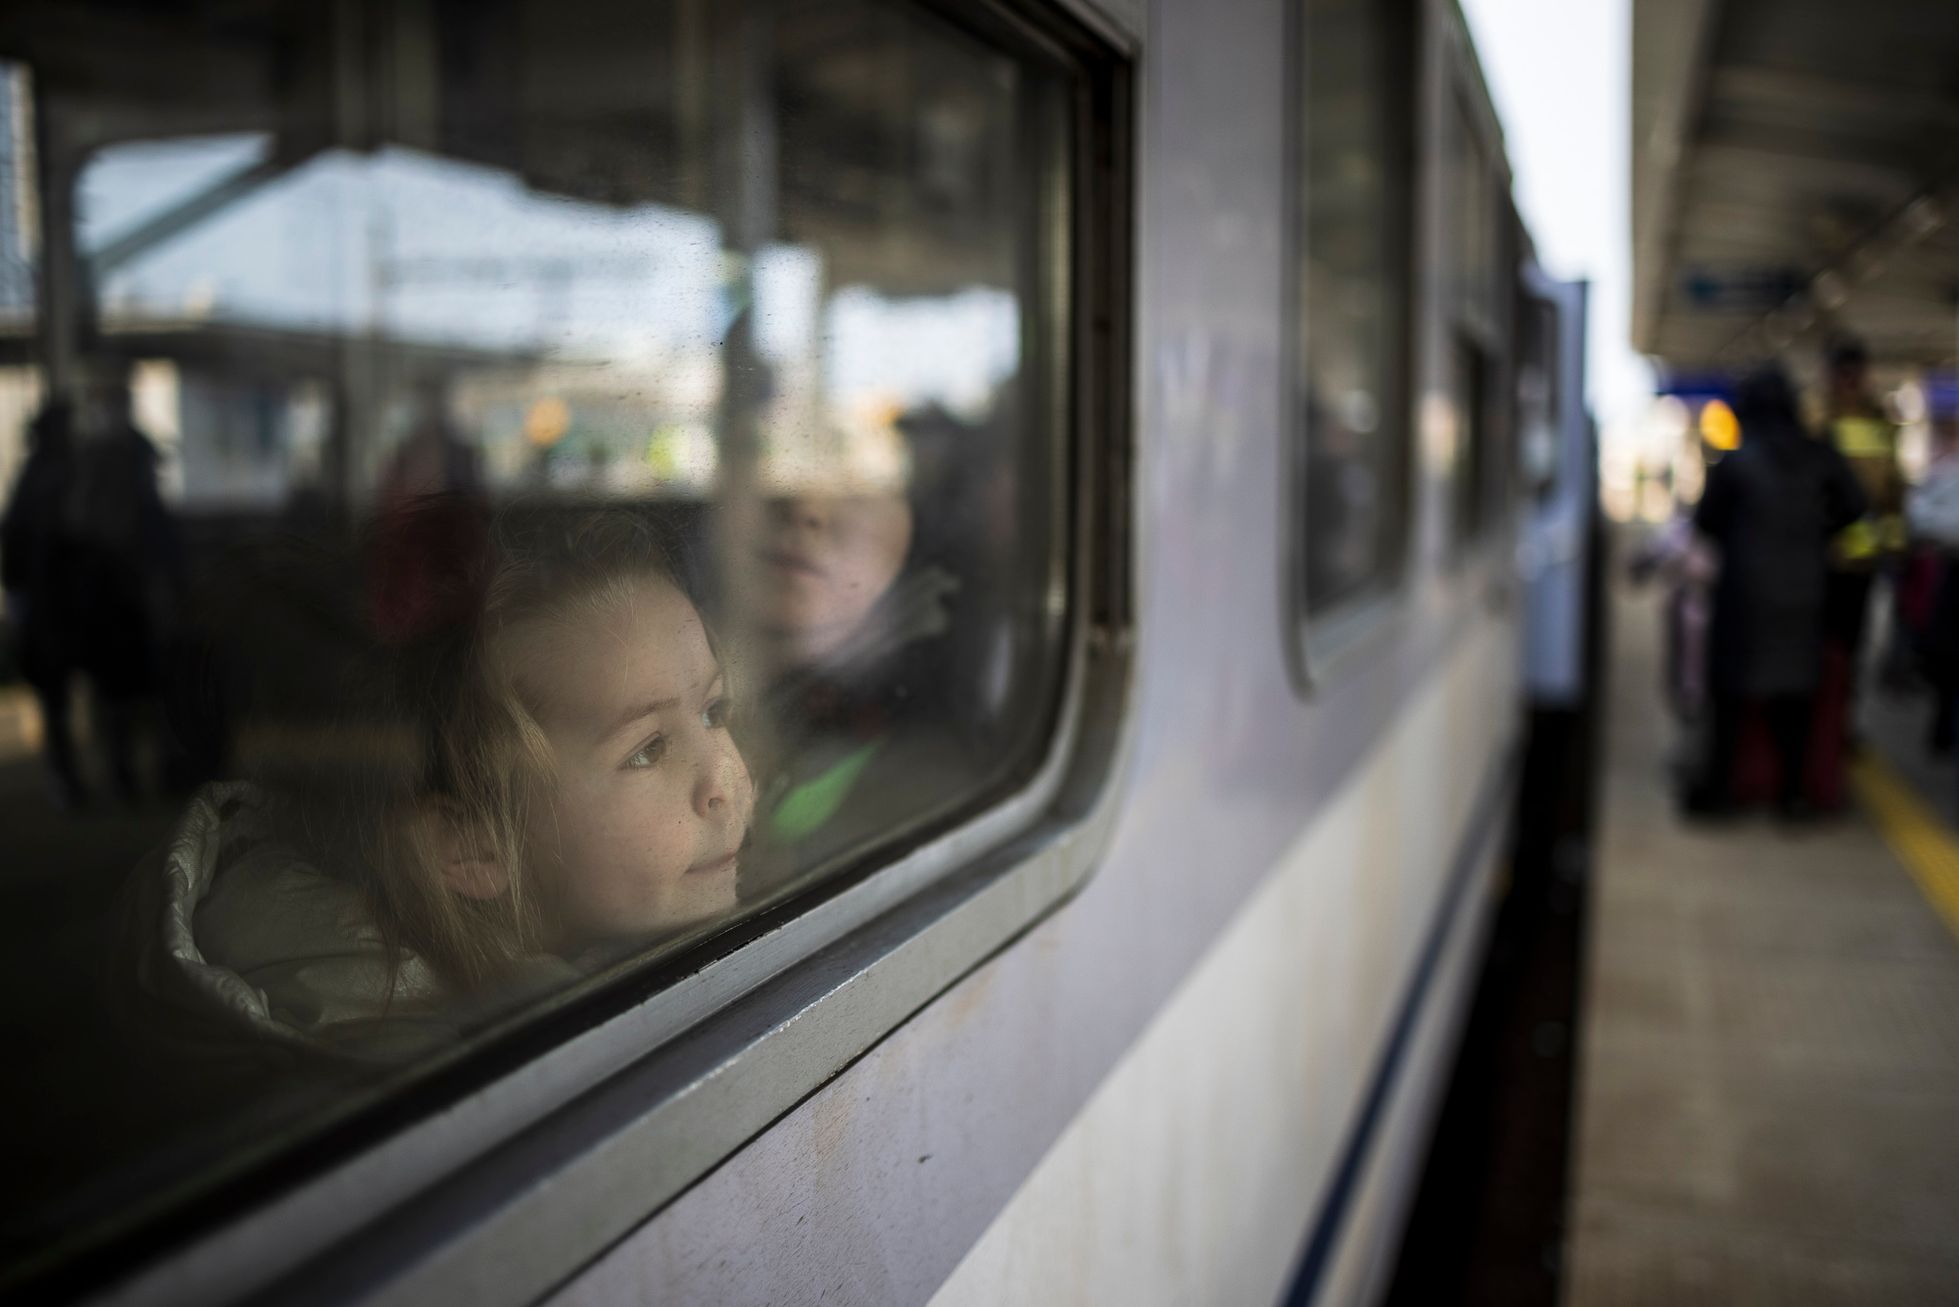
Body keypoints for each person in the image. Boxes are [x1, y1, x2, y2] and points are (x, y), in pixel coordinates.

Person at [121, 506, 755, 1063]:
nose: (724, 780)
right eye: (647, 751)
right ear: (471, 846)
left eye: (713, 712)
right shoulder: (434, 1063)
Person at [1688, 366, 1866, 818]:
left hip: (1744, 595)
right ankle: (1792, 797)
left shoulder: (1738, 460)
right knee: (1797, 702)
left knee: (1729, 700)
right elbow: (1855, 506)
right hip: (1806, 593)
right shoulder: (1819, 456)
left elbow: (1705, 521)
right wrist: (1817, 534)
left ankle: (1721, 794)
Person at [1, 402, 87, 807]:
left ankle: (67, 778)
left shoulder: (36, 479)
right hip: (56, 600)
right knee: (58, 694)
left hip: (49, 600)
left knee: (56, 695)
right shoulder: (53, 479)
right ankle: (67, 779)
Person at [1820, 337, 1903, 716]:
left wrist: (1897, 544)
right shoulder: (1818, 420)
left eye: (1856, 373)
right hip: (1822, 557)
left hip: (1863, 559)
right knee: (1821, 647)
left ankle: (1841, 722)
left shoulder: (1880, 421)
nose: (1851, 381)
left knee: (1852, 646)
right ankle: (1824, 723)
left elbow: (1893, 488)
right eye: (1844, 373)